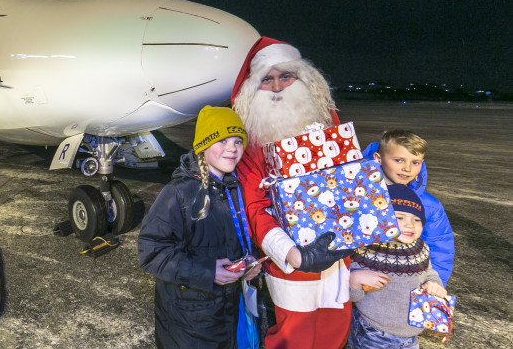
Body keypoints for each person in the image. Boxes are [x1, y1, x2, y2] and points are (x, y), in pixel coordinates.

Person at [230, 37, 353, 349]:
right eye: (266, 80)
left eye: (286, 76)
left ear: (303, 80)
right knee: (293, 337)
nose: (276, 87)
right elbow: (254, 208)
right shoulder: (252, 146)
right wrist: (292, 254)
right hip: (292, 262)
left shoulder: (328, 126)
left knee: (334, 330)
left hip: (339, 257)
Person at [138, 105, 263, 349]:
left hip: (225, 312)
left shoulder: (234, 188)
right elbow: (150, 251)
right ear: (203, 146)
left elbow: (237, 237)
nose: (232, 148)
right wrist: (208, 272)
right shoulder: (179, 192)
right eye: (222, 140)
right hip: (188, 322)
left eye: (238, 141)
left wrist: (250, 261)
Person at [348, 183, 448, 349]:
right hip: (374, 332)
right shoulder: (367, 249)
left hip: (411, 333)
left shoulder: (421, 247)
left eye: (417, 219)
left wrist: (435, 285)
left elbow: (429, 273)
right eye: (400, 217)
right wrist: (355, 278)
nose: (410, 224)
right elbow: (352, 296)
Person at [363, 130, 455, 286]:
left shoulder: (429, 206)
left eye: (415, 162)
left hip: (406, 288)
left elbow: (439, 249)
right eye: (399, 160)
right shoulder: (359, 198)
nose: (407, 168)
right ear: (378, 159)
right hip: (362, 283)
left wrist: (435, 284)